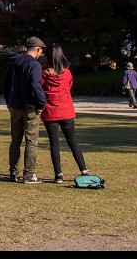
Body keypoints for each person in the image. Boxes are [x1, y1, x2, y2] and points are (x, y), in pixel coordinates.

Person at [41, 44, 91, 184]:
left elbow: (40, 88)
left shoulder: (43, 72)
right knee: (72, 141)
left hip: (50, 111)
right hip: (66, 110)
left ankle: (58, 174)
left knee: (54, 143)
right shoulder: (67, 73)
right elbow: (69, 86)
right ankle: (83, 169)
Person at [2, 36, 48, 184]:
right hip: (29, 107)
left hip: (14, 106)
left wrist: (8, 101)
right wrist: (41, 103)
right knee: (31, 141)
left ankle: (13, 172)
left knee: (15, 140)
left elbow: (6, 82)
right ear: (38, 50)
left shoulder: (14, 61)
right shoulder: (34, 65)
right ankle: (28, 174)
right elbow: (36, 86)